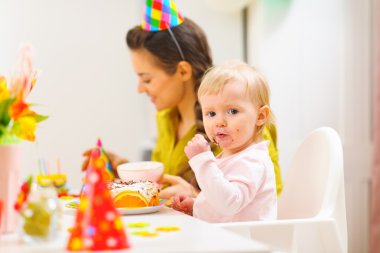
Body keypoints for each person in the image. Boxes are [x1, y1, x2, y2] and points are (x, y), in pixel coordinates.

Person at [81, 0, 282, 199]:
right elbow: (166, 186)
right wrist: (124, 170)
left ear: (183, 71)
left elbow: (267, 200)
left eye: (147, 79)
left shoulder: (241, 121)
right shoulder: (166, 117)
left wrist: (195, 196)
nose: (140, 89)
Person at [171, 60, 277, 222]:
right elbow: (222, 201)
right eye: (211, 114)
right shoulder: (231, 156)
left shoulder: (252, 161)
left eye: (232, 111)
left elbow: (229, 203)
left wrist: (202, 161)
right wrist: (197, 205)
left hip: (249, 245)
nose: (219, 122)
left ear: (260, 116)